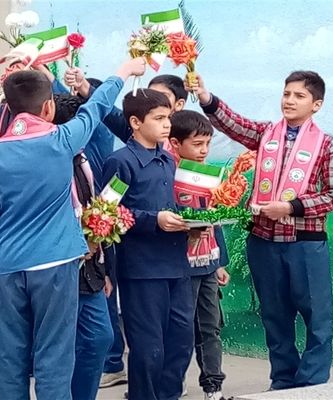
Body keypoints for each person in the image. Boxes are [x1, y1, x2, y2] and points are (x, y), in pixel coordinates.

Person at [0, 59, 144, 400]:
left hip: (7, 266)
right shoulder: (62, 140)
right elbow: (97, 105)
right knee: (54, 357)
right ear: (48, 107)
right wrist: (124, 69)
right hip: (55, 265)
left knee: (10, 357)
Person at [192, 71, 333, 390]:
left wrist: (291, 207)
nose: (289, 100)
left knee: (317, 318)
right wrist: (207, 99)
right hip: (263, 241)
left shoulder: (328, 146)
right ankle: (283, 382)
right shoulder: (266, 134)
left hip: (305, 244)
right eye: (286, 93)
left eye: (299, 96)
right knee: (275, 318)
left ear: (316, 104)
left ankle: (312, 384)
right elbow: (236, 124)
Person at [101, 89, 197, 400]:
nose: (167, 124)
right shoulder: (120, 162)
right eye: (158, 118)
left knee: (181, 340)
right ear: (135, 122)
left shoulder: (168, 159)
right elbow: (108, 212)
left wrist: (193, 224)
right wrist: (152, 220)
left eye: (168, 117)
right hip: (142, 269)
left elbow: (175, 206)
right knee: (148, 347)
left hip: (177, 265)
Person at [52, 93, 115, 400]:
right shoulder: (50, 163)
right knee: (59, 347)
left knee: (100, 338)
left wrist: (102, 267)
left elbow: (91, 211)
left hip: (89, 269)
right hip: (59, 266)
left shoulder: (83, 160)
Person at [169, 110, 232, 400]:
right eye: (197, 144)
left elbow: (216, 217)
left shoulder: (210, 174)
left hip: (209, 264)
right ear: (175, 144)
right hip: (182, 266)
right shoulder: (169, 174)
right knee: (180, 329)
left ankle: (213, 386)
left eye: (207, 143)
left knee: (210, 327)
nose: (204, 150)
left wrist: (220, 263)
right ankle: (174, 380)